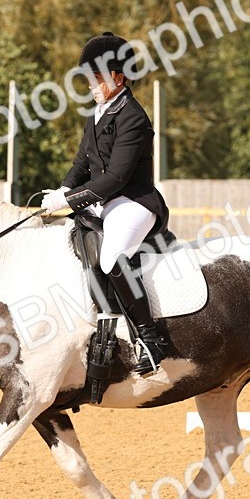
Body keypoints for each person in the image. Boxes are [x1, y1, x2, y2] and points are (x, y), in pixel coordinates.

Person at [41, 32, 172, 375]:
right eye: (88, 78)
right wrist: (61, 190)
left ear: (118, 76)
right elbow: (81, 165)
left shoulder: (134, 117)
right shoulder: (96, 115)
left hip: (133, 202)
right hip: (103, 203)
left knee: (112, 256)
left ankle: (150, 339)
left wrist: (69, 199)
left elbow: (115, 178)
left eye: (95, 78)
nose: (90, 85)